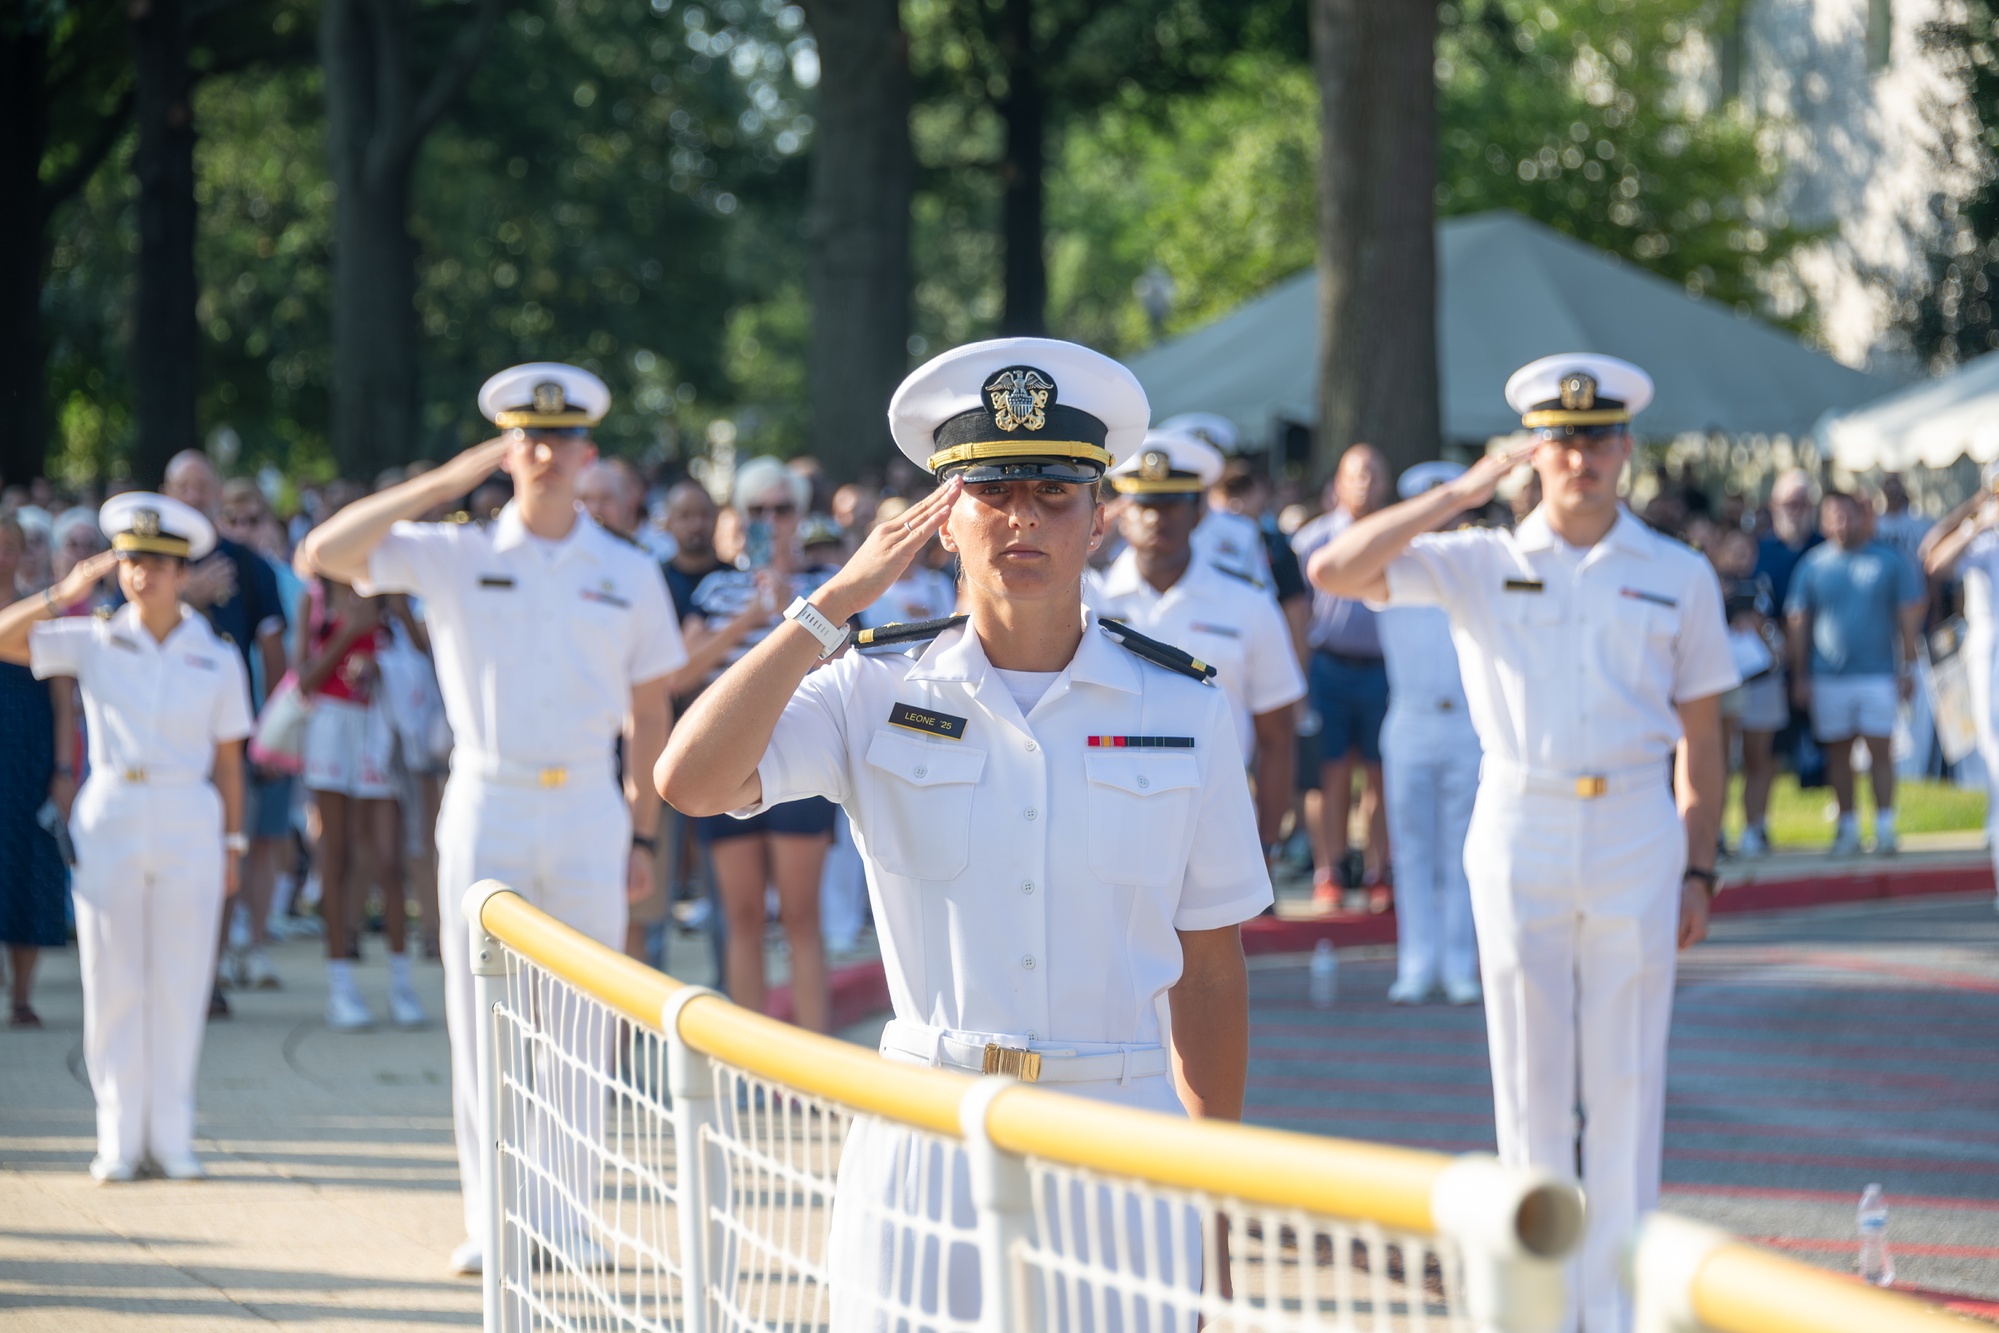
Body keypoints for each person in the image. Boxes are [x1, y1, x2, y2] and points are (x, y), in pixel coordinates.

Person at [659, 337, 1268, 1326]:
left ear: (1098, 517)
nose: (1021, 517)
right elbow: (689, 780)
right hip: (925, 1130)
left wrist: (1214, 1208)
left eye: (1053, 493)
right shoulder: (870, 686)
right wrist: (832, 605)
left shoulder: (1183, 704)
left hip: (1116, 1133)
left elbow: (1210, 974)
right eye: (990, 492)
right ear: (944, 520)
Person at [1306, 353, 1735, 1333]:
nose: (1578, 458)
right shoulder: (1477, 557)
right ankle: (1537, 1308)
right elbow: (1333, 569)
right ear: (1530, 451)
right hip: (1518, 814)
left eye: (1595, 439)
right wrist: (1457, 493)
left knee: (1625, 1073)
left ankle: (1615, 1304)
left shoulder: (1676, 574)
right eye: (1560, 439)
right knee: (1528, 1080)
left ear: (1625, 447)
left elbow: (1701, 734)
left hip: (1633, 819)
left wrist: (1697, 861)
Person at [297, 362, 685, 1275]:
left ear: (591, 453)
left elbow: (650, 713)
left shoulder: (627, 570)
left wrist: (642, 834)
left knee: (586, 1020)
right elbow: (325, 552)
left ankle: (570, 1213)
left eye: (563, 441)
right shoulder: (456, 550)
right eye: (529, 440)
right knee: (483, 1018)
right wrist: (448, 479)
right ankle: (494, 1217)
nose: (547, 456)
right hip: (487, 795)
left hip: (590, 800)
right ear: (507, 450)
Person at [0, 496, 253, 1181]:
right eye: (132, 561)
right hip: (112, 805)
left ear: (181, 571)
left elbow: (230, 760)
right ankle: (117, 1133)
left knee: (179, 977)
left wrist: (234, 847)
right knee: (111, 978)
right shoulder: (95, 635)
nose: (143, 575)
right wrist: (63, 591)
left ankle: (171, 1132)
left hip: (188, 811)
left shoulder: (217, 653)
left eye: (158, 564)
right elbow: (4, 638)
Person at [1090, 430, 1304, 859]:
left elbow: (1277, 735)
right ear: (1121, 512)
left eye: (1172, 505)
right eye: (1144, 505)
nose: (1157, 519)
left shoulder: (1249, 604)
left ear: (1199, 512)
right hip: (1104, 816)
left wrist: (1265, 843)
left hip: (1215, 814)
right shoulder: (1087, 601)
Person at [683, 457, 839, 1031]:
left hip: (802, 757)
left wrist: (790, 616)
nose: (770, 520)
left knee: (801, 917)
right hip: (728, 759)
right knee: (743, 916)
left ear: (800, 515)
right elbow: (681, 672)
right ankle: (749, 1065)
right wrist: (750, 614)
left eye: (782, 509)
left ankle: (814, 1063)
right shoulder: (714, 587)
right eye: (758, 510)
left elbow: (848, 665)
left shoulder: (827, 585)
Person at [163, 450, 289, 1013]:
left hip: (224, 742)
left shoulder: (247, 564)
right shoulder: (141, 561)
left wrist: (271, 732)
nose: (192, 495)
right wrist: (184, 597)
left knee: (216, 861)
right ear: (166, 492)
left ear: (216, 494)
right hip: (157, 740)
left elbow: (273, 650)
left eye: (201, 486)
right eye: (182, 486)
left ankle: (206, 978)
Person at [1376, 462, 1482, 1006]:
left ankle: (1460, 962)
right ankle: (1417, 961)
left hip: (1466, 719)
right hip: (1411, 717)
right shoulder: (1390, 568)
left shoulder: (1471, 567)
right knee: (1412, 850)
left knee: (1463, 850)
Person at [298, 569, 421, 1030]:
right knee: (337, 854)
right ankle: (340, 987)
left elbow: (424, 654)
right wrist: (349, 632)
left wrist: (384, 650)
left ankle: (402, 985)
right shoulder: (314, 599)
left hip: (382, 727)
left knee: (388, 860)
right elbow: (304, 681)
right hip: (331, 726)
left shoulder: (389, 592)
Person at [1786, 490, 1926, 856]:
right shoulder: (1812, 565)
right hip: (1828, 677)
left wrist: (1907, 667)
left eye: (1848, 515)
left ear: (1863, 517)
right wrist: (1800, 674)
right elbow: (1799, 621)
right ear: (1824, 521)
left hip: (1878, 675)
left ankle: (1885, 827)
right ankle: (1846, 828)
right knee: (1837, 755)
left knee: (1881, 752)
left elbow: (1908, 618)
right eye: (1834, 516)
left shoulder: (1889, 561)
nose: (1842, 523)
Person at [1291, 445, 1394, 909]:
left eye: (1373, 474)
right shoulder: (1313, 539)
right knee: (1327, 774)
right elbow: (1296, 613)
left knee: (1380, 774)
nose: (1364, 483)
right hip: (1328, 666)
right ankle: (1328, 870)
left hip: (1383, 669)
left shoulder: (1395, 535)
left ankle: (1379, 871)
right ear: (1338, 481)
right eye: (1356, 474)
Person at [0, 515, 75, 1029]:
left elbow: (63, 700)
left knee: (27, 872)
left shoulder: (39, 611)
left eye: (9, 546)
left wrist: (65, 770)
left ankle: (22, 995)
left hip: (28, 757)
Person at [1922, 464, 1999, 902]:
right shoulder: (1984, 534)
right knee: (1993, 751)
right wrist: (1976, 513)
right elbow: (1933, 559)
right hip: (1990, 648)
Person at [1712, 527, 1785, 855]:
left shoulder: (1764, 588)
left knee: (1759, 759)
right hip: (1722, 682)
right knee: (1720, 760)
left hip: (1760, 680)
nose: (1741, 558)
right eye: (1734, 550)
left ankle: (1756, 828)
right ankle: (1716, 830)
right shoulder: (1707, 586)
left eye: (1747, 552)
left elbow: (1780, 633)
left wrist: (1760, 626)